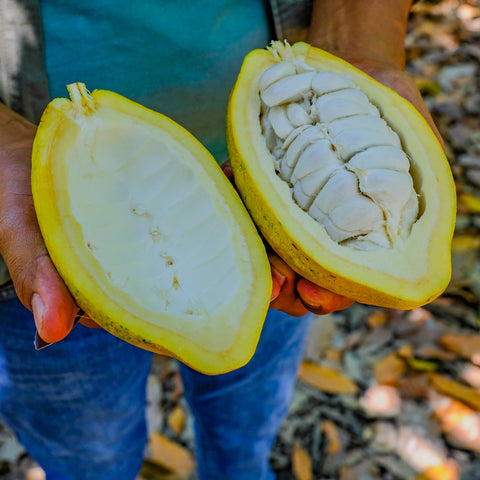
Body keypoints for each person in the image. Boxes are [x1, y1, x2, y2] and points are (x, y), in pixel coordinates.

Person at [0, 1, 443, 479]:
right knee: (92, 453)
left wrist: (357, 41)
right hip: (29, 208)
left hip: (275, 235)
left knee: (247, 419)